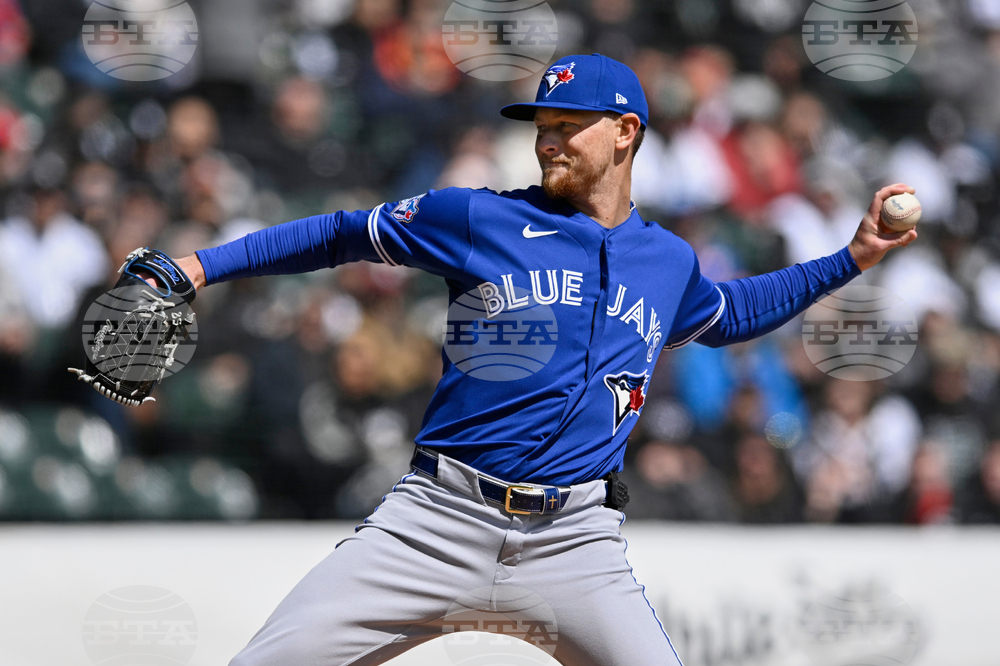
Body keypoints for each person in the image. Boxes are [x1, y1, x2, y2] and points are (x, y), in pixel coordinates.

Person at [166, 54, 916, 666]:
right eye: (541, 126)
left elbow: (734, 313)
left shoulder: (667, 260)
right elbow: (340, 233)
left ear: (626, 132)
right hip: (436, 519)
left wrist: (850, 258)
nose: (547, 140)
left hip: (574, 541)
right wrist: (201, 266)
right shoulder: (480, 217)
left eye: (567, 126)